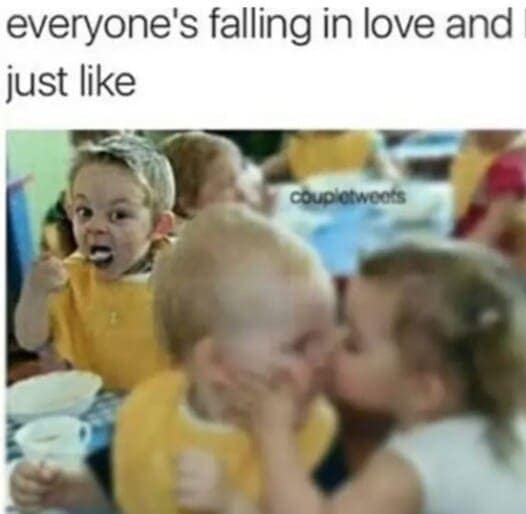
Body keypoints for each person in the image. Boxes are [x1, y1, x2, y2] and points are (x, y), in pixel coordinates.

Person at [11, 204, 341, 514]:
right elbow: (119, 483)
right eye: (300, 346)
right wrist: (65, 489)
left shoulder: (316, 433)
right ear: (216, 363)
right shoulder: (150, 411)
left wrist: (232, 504)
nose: (327, 357)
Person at [225, 240, 526, 514]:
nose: (332, 344)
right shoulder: (501, 420)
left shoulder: (408, 468)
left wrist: (274, 432)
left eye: (354, 343)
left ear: (424, 390)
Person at [14, 134, 175, 391]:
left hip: (163, 405)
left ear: (158, 226)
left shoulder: (181, 273)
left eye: (118, 215)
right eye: (84, 212)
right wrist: (34, 292)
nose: (95, 226)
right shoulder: (72, 276)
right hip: (97, 403)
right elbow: (30, 341)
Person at [262, 131, 401, 182]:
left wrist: (392, 178)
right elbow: (269, 169)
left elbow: (387, 169)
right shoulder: (300, 143)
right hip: (311, 216)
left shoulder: (366, 138)